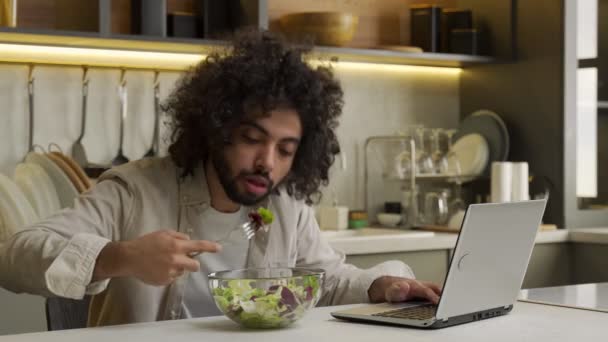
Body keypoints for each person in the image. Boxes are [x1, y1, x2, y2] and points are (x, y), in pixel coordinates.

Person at [0, 30, 441, 327]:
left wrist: (381, 286)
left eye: (286, 150)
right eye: (252, 138)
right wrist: (118, 257)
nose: (267, 162)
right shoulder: (135, 189)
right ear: (215, 127)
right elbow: (14, 256)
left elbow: (326, 280)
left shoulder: (285, 205)